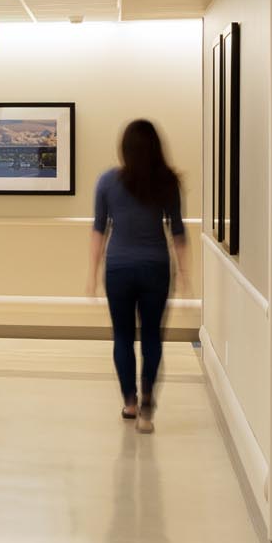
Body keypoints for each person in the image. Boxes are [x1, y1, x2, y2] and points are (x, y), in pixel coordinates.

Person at [88, 118, 189, 433]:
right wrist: (186, 275)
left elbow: (99, 229)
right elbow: (178, 231)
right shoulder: (168, 182)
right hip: (156, 268)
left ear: (124, 149)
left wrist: (91, 273)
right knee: (151, 336)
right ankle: (147, 406)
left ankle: (129, 403)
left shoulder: (107, 181)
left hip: (118, 268)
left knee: (122, 336)